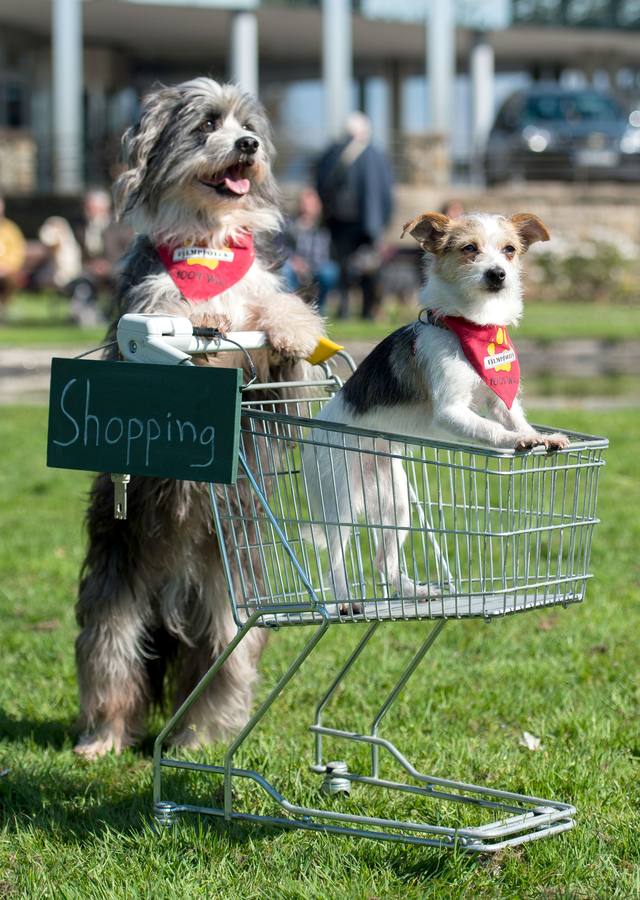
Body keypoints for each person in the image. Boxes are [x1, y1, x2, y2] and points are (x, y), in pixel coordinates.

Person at [316, 112, 394, 319]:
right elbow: (386, 192)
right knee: (364, 268)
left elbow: (321, 184)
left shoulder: (333, 152)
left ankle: (347, 309)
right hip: (366, 222)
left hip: (342, 221)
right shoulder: (375, 154)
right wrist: (382, 221)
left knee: (347, 268)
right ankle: (364, 310)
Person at [281, 187, 338, 313]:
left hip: (316, 269)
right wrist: (294, 261)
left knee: (330, 270)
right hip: (293, 269)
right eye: (304, 203)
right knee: (285, 268)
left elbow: (324, 255)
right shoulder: (288, 226)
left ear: (318, 206)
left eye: (311, 203)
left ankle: (319, 308)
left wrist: (309, 266)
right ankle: (293, 308)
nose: (307, 207)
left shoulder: (323, 229)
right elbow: (280, 249)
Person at [0, 196, 27, 315]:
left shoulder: (11, 229)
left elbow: (18, 254)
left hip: (8, 272)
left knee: (10, 281)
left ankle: (3, 308)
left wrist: (6, 268)